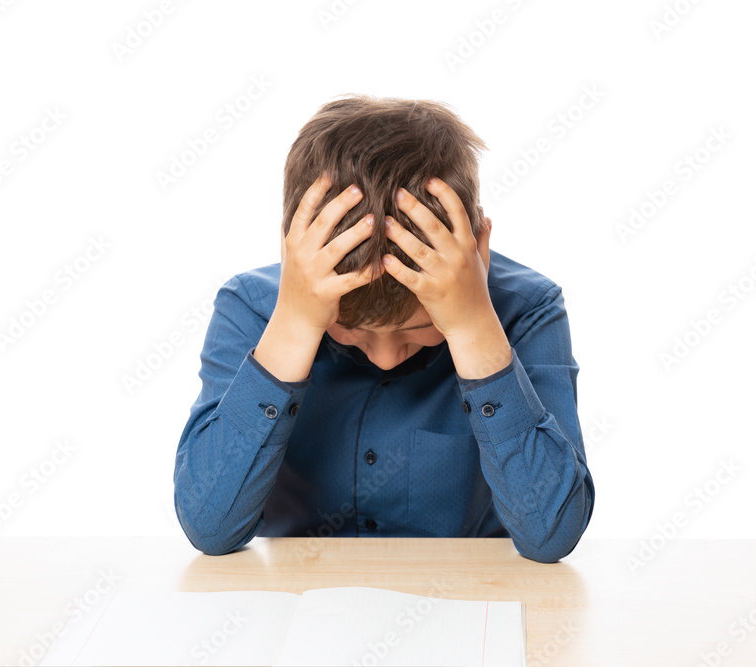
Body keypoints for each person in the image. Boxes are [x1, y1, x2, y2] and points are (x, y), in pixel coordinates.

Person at [172, 95, 594, 563]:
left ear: (479, 248)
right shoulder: (251, 308)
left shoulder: (528, 310)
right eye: (351, 329)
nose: (386, 357)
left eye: (419, 328)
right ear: (293, 251)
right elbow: (210, 527)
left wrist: (473, 327)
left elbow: (550, 534)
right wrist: (294, 325)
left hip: (467, 599)